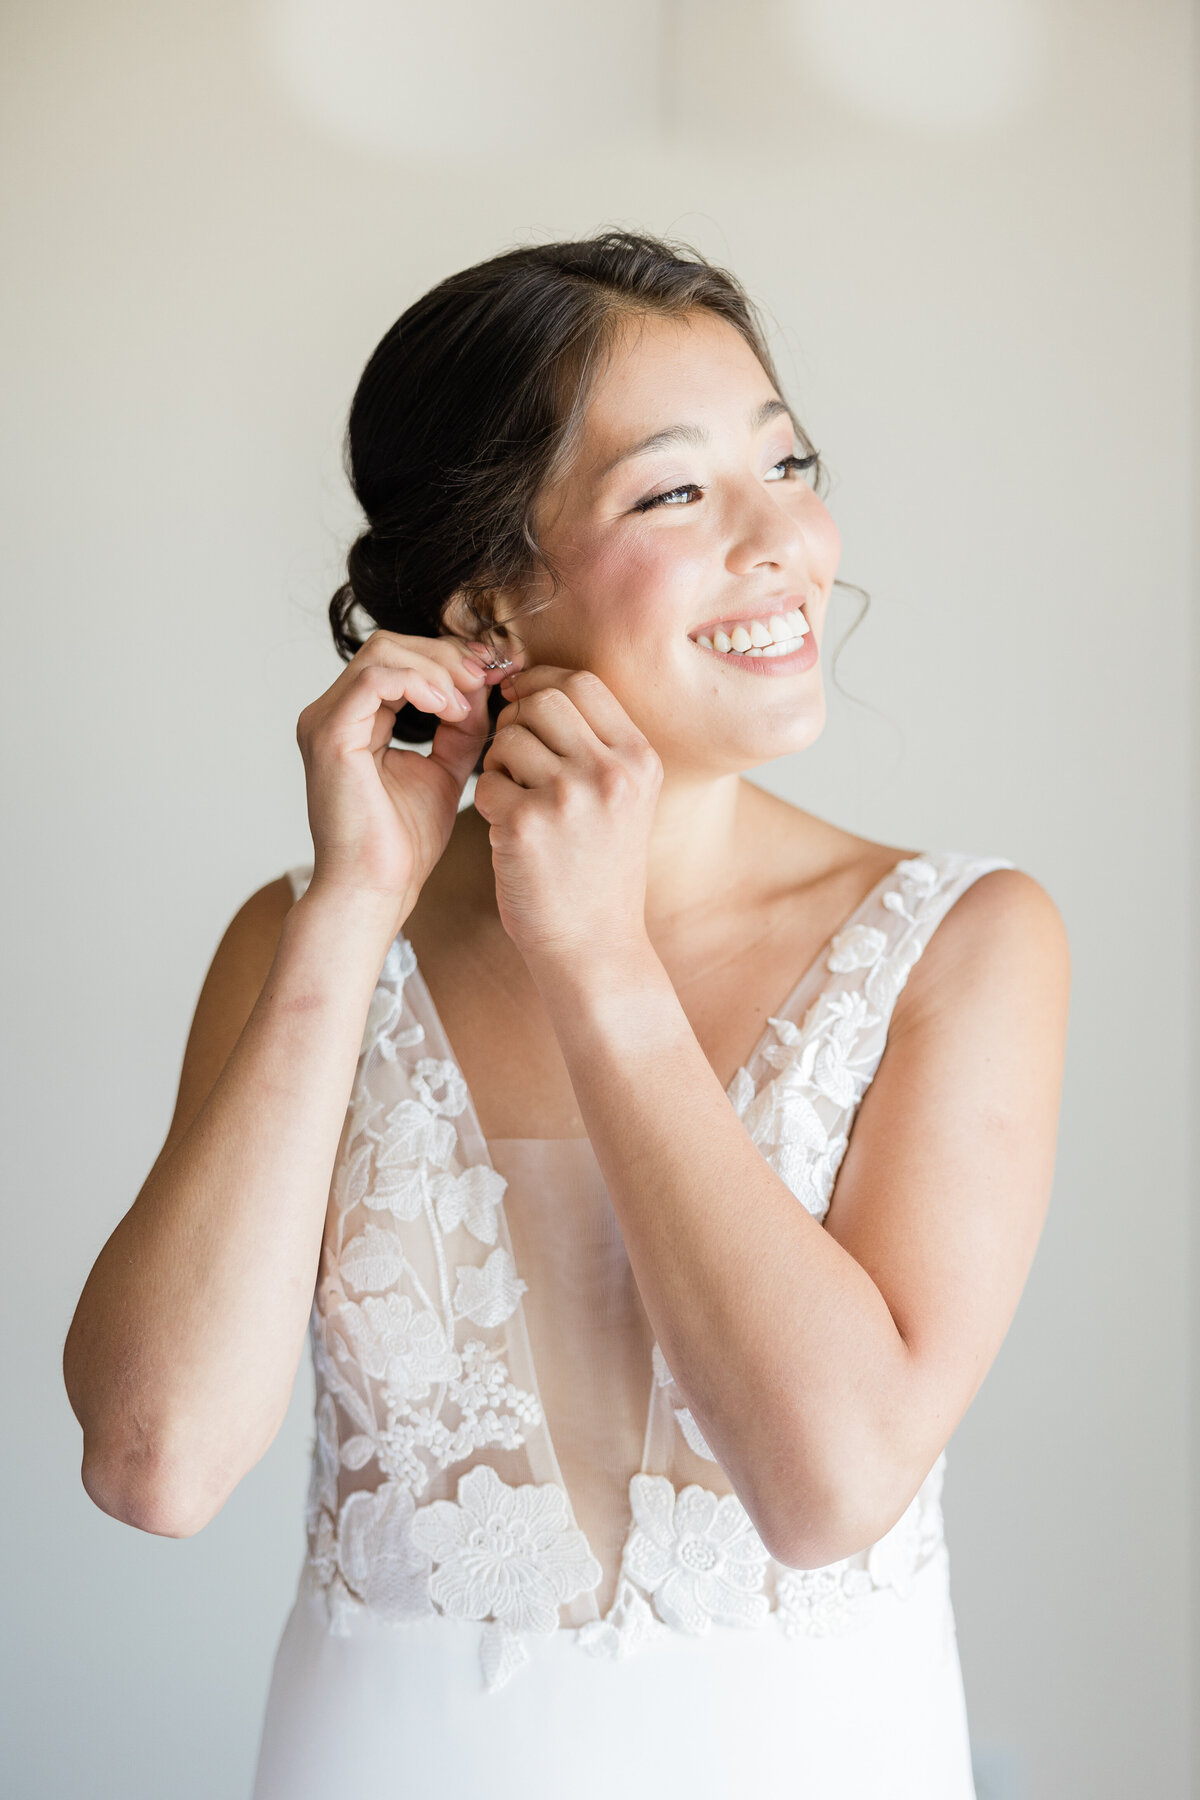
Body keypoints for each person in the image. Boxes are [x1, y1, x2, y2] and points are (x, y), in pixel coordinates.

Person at [63, 229, 1070, 1798]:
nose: (785, 541)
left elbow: (830, 1490)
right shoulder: (304, 942)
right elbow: (155, 1464)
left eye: (786, 464)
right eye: (676, 493)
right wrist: (352, 909)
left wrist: (599, 961)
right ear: (492, 609)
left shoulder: (964, 944)